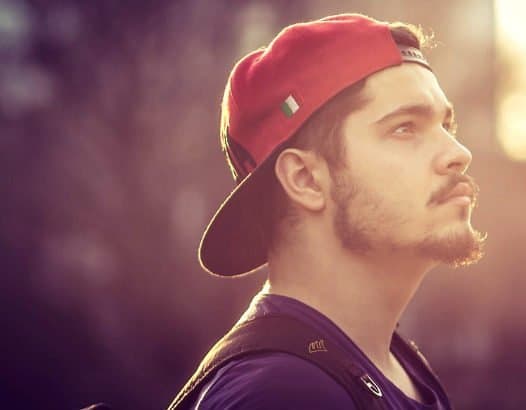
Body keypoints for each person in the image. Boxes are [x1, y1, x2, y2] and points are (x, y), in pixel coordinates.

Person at [168, 13, 485, 410]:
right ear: (306, 179)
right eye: (405, 128)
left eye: (447, 127)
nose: (459, 154)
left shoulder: (397, 366)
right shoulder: (280, 395)